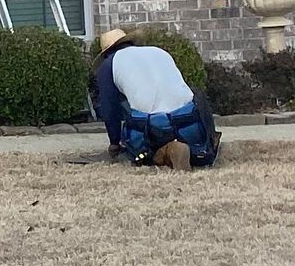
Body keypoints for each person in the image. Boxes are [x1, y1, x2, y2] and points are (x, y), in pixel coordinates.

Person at [89, 28, 220, 169]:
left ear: (107, 53)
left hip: (154, 125)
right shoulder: (158, 51)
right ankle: (205, 146)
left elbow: (110, 109)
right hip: (190, 118)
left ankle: (166, 152)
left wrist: (115, 143)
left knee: (140, 154)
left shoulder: (108, 65)